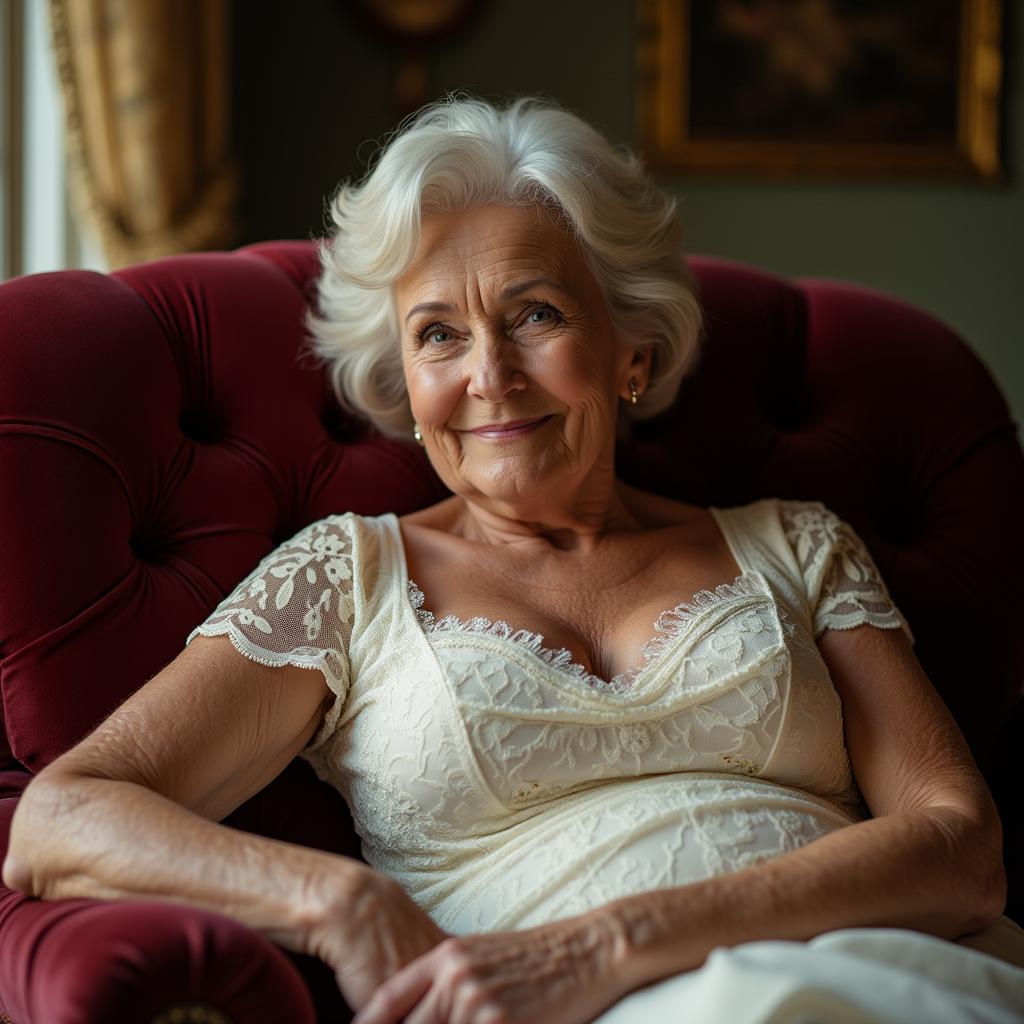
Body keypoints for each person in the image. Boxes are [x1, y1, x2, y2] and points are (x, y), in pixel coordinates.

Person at [5, 93, 1024, 1024]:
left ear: (632, 348)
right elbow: (60, 818)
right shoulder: (347, 579)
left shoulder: (795, 543)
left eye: (534, 313)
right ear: (402, 384)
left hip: (892, 978)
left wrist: (611, 941)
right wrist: (336, 901)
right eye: (437, 335)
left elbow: (960, 843)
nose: (488, 375)